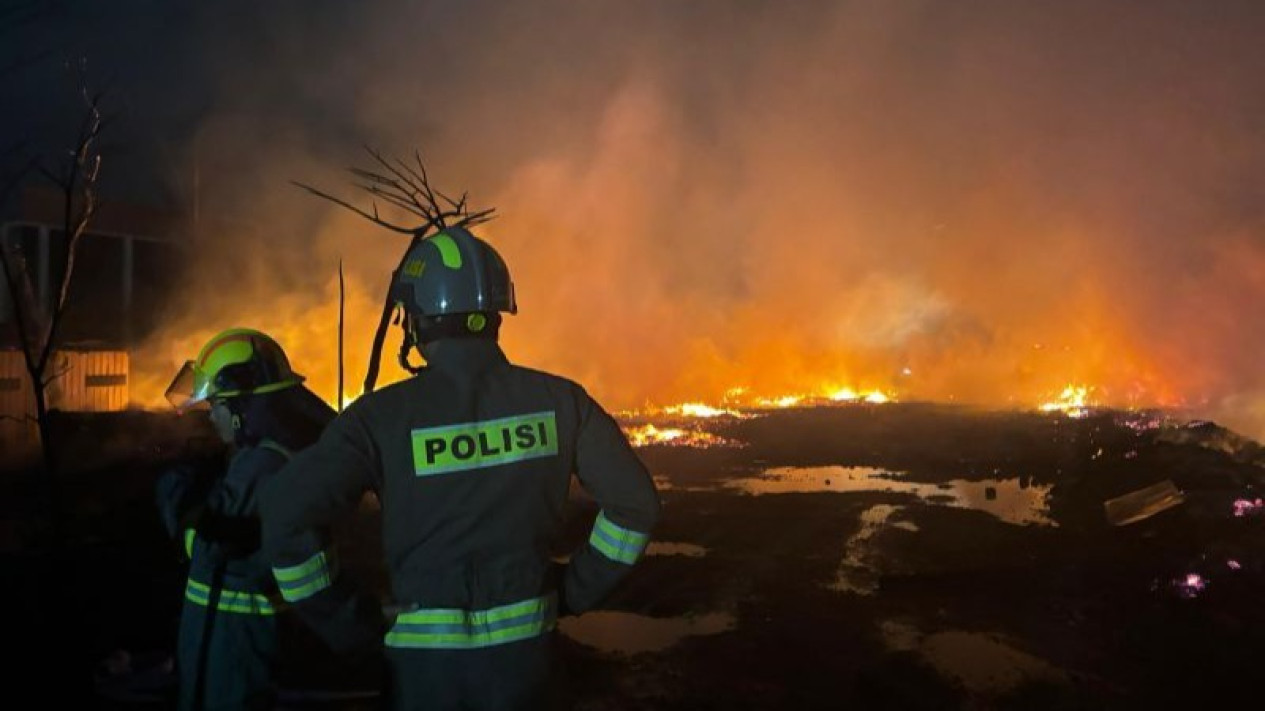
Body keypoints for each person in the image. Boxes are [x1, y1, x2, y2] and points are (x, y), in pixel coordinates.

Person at [260, 225, 662, 710]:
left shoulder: (379, 418)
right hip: (530, 670)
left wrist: (350, 620)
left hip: (424, 675)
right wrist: (574, 590)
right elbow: (635, 506)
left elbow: (285, 514)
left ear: (418, 320)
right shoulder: (561, 402)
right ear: (495, 314)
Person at [156, 328, 336, 710]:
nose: (211, 415)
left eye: (218, 403)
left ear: (242, 410)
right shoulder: (273, 454)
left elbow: (206, 545)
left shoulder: (263, 464)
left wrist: (176, 492)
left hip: (236, 657)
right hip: (234, 649)